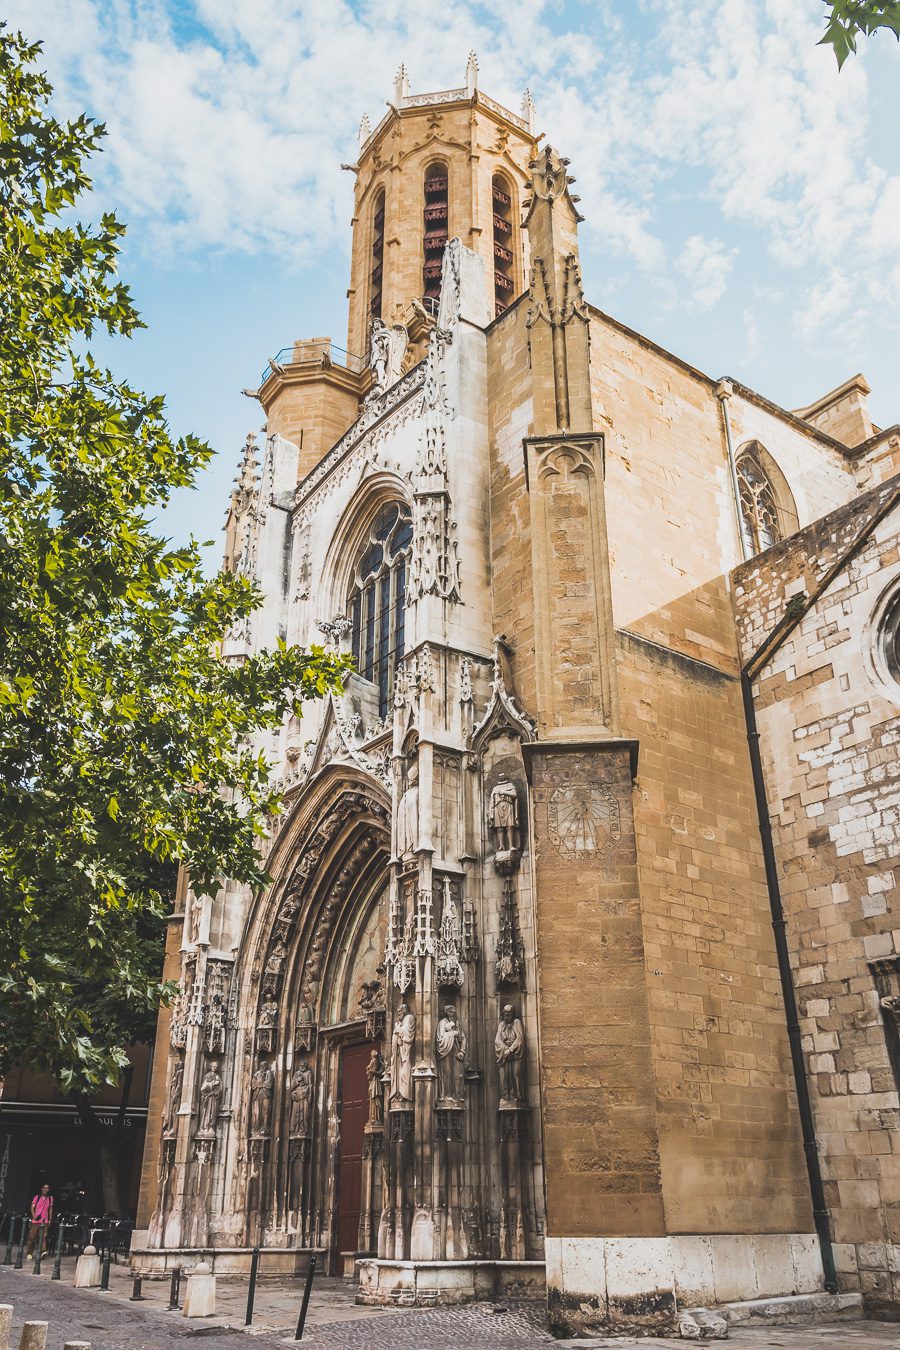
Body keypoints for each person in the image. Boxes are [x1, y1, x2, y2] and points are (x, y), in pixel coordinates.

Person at [26, 1183, 53, 1258]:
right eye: (44, 1188)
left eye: (47, 1188)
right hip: (36, 1221)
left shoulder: (50, 1198)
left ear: (49, 1190)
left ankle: (43, 1252)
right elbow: (32, 1207)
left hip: (44, 1221)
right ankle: (29, 1253)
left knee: (43, 1237)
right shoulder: (37, 1197)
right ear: (41, 1189)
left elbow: (50, 1209)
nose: (45, 1189)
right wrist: (34, 1215)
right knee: (32, 1237)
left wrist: (50, 1219)